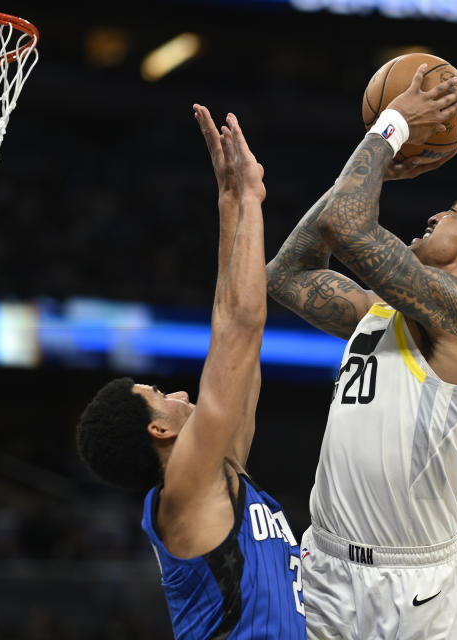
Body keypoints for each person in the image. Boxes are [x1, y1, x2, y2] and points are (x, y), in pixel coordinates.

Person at [266, 65, 457, 639]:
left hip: (414, 587)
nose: (437, 212)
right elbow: (287, 274)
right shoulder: (380, 310)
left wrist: (389, 133)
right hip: (325, 566)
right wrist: (375, 177)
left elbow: (348, 227)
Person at [76, 107, 306, 639]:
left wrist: (230, 208)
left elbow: (239, 352)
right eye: (159, 393)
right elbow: (241, 328)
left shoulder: (216, 477)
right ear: (159, 430)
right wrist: (252, 199)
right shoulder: (185, 486)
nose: (179, 392)